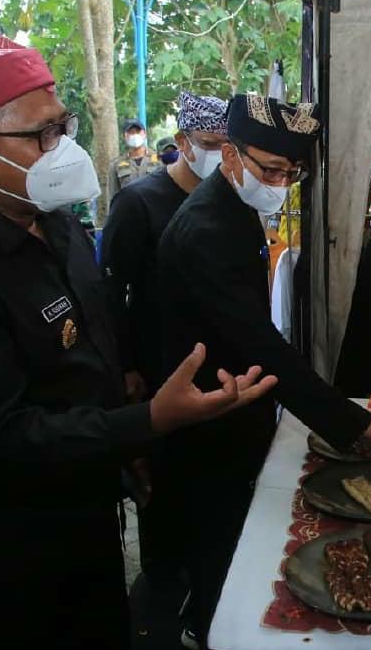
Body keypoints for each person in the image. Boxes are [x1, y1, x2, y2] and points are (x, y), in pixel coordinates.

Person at [0, 33, 278, 650]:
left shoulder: (55, 224)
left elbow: (94, 340)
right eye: (41, 135)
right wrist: (146, 423)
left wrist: (127, 441)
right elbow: (2, 437)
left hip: (80, 521)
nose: (61, 148)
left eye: (61, 128)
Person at [156, 94, 371, 646]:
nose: (280, 183)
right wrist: (353, 422)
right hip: (205, 416)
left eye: (291, 173)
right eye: (270, 169)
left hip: (235, 402)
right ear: (228, 154)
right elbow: (259, 341)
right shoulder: (207, 227)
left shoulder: (233, 209)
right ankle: (206, 630)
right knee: (219, 545)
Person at [101, 90, 227, 601]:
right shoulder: (139, 202)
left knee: (207, 485)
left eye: (230, 146)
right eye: (212, 144)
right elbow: (110, 290)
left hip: (213, 366)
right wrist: (126, 366)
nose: (223, 156)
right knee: (163, 483)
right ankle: (162, 586)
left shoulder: (228, 199)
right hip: (156, 368)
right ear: (182, 143)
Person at [108, 118, 160, 199]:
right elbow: (113, 197)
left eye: (137, 131)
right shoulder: (116, 164)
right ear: (124, 136)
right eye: (131, 132)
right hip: (128, 209)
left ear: (144, 134)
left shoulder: (159, 159)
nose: (135, 135)